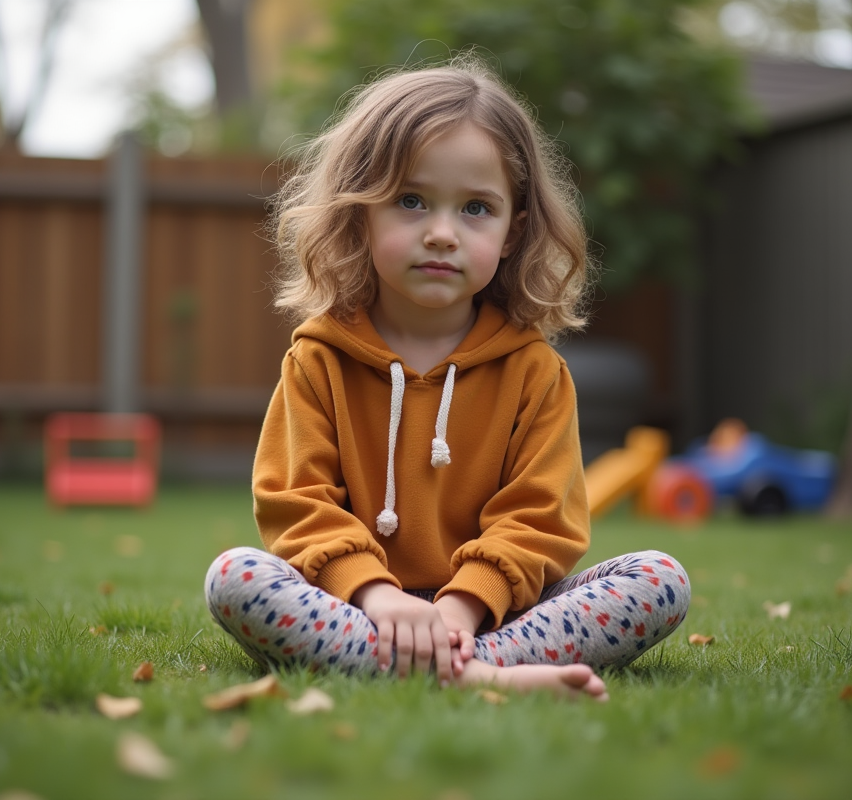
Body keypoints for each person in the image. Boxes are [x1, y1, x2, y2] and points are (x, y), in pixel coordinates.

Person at [204, 57, 690, 700]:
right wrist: (379, 597)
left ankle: (460, 659)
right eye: (410, 201)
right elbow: (298, 507)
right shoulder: (317, 361)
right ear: (361, 212)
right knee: (236, 576)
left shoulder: (536, 373)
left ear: (514, 231)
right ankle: (478, 674)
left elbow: (540, 519)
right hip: (357, 609)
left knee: (659, 578)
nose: (441, 233)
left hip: (496, 615)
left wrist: (459, 611)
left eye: (476, 208)